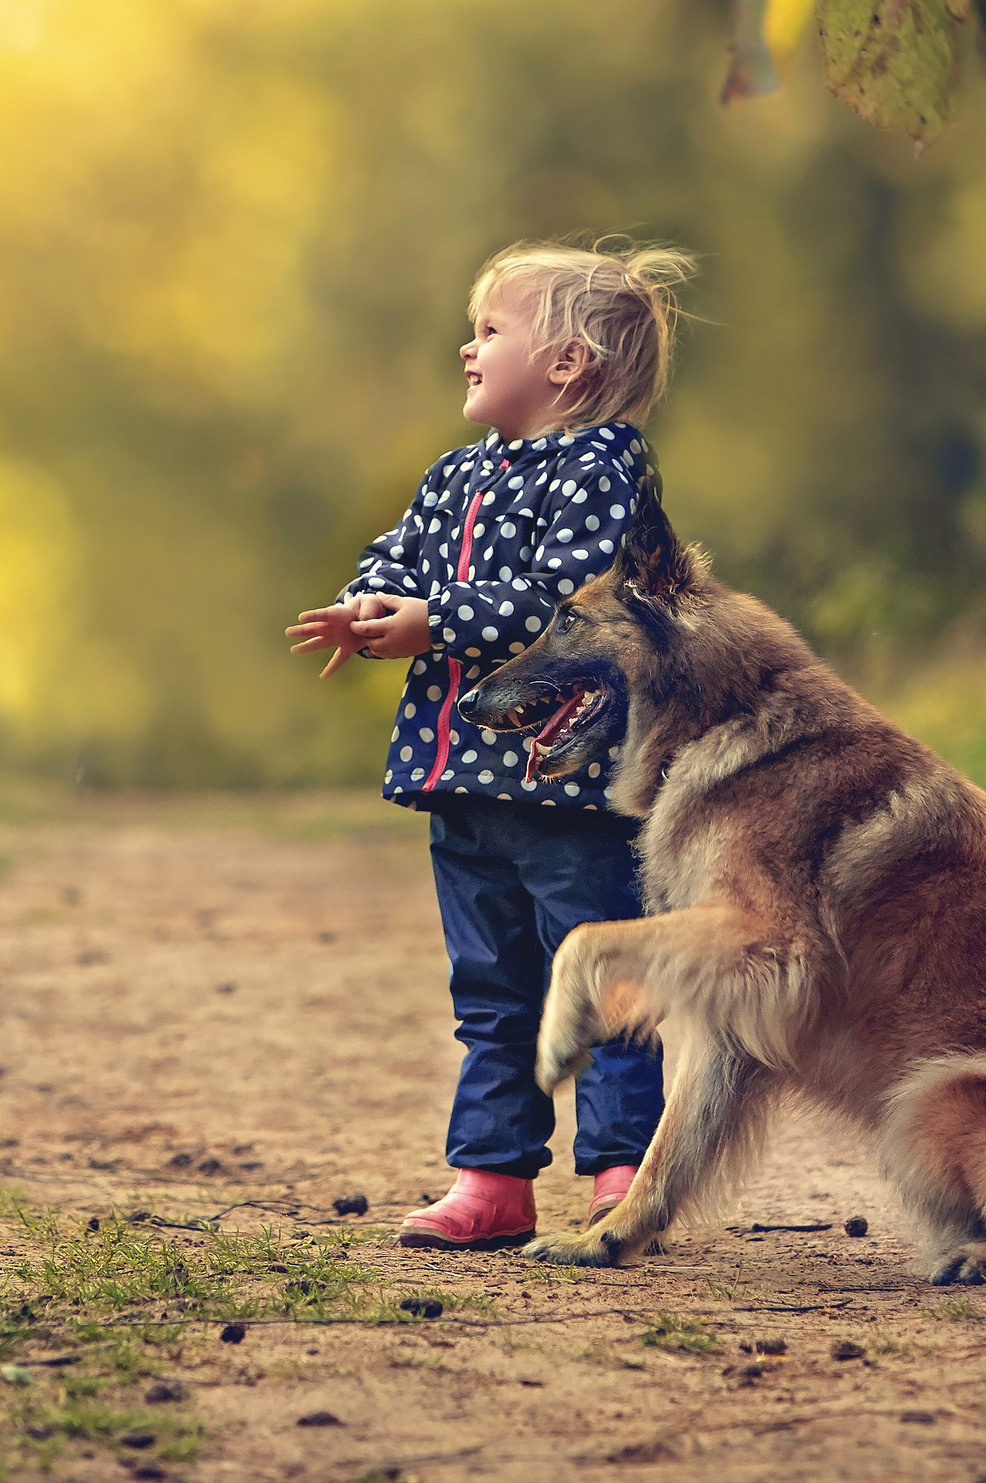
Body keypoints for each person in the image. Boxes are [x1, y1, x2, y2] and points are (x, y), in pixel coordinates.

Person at [287, 238, 692, 1248]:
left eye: (490, 331)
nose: (467, 349)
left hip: (568, 782)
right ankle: (492, 1177)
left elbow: (566, 599)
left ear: (565, 363)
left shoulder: (603, 466)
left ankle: (623, 1172)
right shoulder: (455, 474)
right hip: (463, 777)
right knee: (491, 990)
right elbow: (397, 555)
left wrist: (435, 621)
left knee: (602, 981)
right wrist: (368, 604)